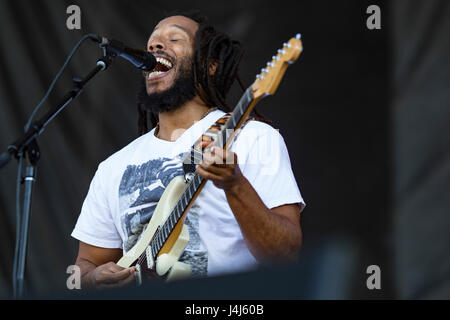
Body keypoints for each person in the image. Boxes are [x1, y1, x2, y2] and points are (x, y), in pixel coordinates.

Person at [71, 11, 305, 290]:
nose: (156, 46)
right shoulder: (113, 167)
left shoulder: (253, 138)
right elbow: (83, 266)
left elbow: (285, 255)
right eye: (152, 44)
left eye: (174, 39)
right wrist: (93, 278)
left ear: (211, 66)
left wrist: (234, 184)